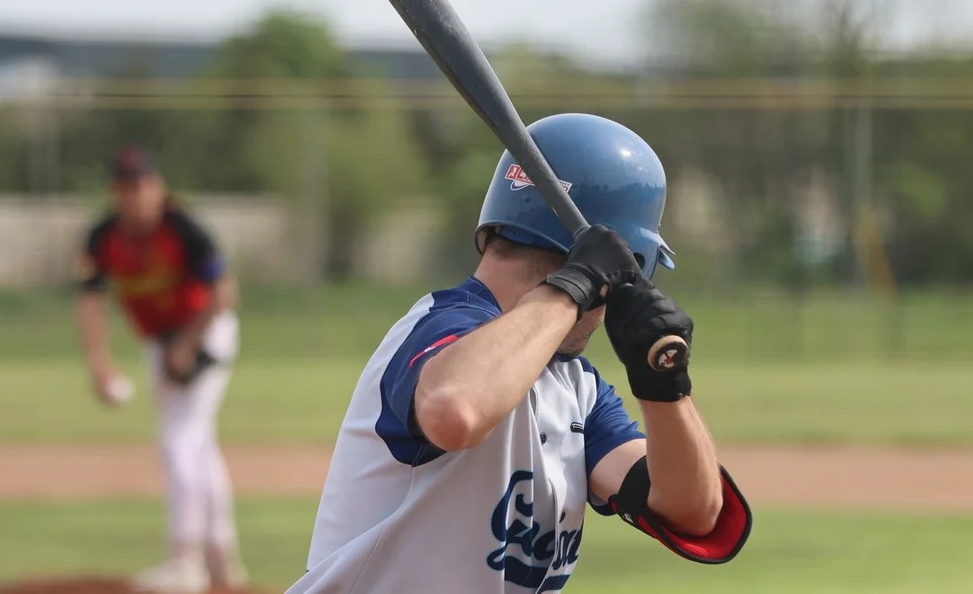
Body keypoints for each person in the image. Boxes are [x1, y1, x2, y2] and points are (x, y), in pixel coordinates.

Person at [288, 114, 752, 593]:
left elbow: (693, 512)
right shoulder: (440, 328)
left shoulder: (577, 389)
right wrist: (571, 289)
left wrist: (664, 385)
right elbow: (455, 412)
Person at [75, 145, 247, 593]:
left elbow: (224, 292)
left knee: (180, 440)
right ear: (115, 193)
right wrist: (99, 364)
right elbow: (90, 303)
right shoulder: (102, 238)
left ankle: (186, 561)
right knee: (197, 443)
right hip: (160, 342)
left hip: (206, 332)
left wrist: (189, 345)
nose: (136, 195)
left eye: (143, 185)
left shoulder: (182, 228)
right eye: (127, 187)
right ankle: (222, 559)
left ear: (159, 187)